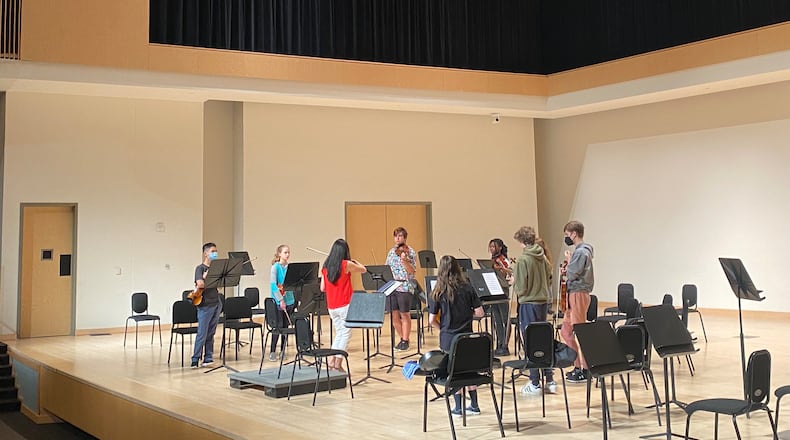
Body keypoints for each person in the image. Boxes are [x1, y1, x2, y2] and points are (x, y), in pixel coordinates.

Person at [428, 255, 485, 416]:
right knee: (468, 369)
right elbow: (480, 313)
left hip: (448, 339)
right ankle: (474, 405)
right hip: (466, 338)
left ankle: (458, 407)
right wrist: (467, 316)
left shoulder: (438, 291)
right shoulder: (467, 288)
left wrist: (442, 328)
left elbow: (431, 320)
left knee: (454, 371)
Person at [509, 226, 555, 394]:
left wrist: (514, 281)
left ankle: (534, 381)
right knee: (542, 339)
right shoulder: (542, 256)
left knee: (530, 340)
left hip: (528, 303)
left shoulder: (523, 260)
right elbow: (550, 276)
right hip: (542, 302)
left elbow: (521, 288)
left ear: (521, 241)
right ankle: (549, 379)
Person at [320, 239, 367, 371]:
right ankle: (338, 363)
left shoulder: (325, 267)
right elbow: (363, 269)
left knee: (340, 333)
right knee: (346, 334)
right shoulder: (346, 264)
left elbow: (322, 288)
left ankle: (331, 360)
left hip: (332, 306)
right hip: (345, 304)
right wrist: (355, 262)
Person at [560, 220, 594, 383]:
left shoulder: (581, 252)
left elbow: (573, 273)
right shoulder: (579, 252)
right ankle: (576, 365)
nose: (567, 237)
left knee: (580, 332)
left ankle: (586, 369)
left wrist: (569, 260)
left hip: (579, 293)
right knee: (565, 331)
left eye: (568, 234)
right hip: (572, 293)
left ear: (574, 234)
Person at [190, 242, 223, 368]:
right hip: (205, 304)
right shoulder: (200, 268)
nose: (215, 253)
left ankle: (208, 357)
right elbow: (200, 284)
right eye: (212, 251)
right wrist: (206, 277)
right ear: (206, 253)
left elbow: (219, 286)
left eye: (216, 251)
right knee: (202, 333)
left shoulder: (215, 269)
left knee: (211, 333)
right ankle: (195, 358)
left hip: (216, 302)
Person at [385, 227, 417, 351]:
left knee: (404, 314)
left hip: (404, 286)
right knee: (394, 315)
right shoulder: (391, 252)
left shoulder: (410, 252)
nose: (397, 238)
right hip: (392, 286)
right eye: (396, 236)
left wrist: (405, 261)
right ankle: (403, 339)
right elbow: (387, 267)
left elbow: (412, 271)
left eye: (400, 236)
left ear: (404, 237)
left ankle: (405, 340)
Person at [268, 244, 296, 361]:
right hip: (278, 301)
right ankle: (272, 351)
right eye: (285, 252)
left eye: (288, 252)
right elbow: (273, 285)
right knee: (278, 326)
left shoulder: (290, 267)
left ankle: (283, 350)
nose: (287, 254)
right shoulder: (275, 267)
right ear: (279, 254)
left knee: (285, 326)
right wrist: (280, 300)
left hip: (289, 299)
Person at [488, 238, 512, 356]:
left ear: (500, 248)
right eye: (490, 247)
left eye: (494, 246)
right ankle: (499, 343)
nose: (491, 249)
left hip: (502, 290)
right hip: (493, 291)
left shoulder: (503, 260)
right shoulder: (492, 260)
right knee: (497, 319)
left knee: (504, 319)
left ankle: (505, 345)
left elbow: (509, 273)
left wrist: (501, 269)